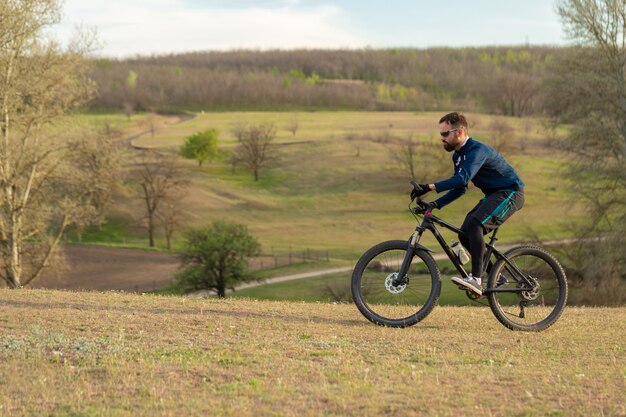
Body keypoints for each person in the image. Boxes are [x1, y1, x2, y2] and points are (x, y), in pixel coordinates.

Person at [411, 112, 525, 296]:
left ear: (460, 132)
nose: (442, 139)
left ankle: (476, 280)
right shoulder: (457, 156)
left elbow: (461, 178)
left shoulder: (476, 150)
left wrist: (429, 186)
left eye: (445, 134)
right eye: (441, 134)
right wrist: (434, 204)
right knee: (465, 234)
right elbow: (460, 188)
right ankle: (497, 276)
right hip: (494, 195)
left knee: (474, 225)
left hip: (510, 193)